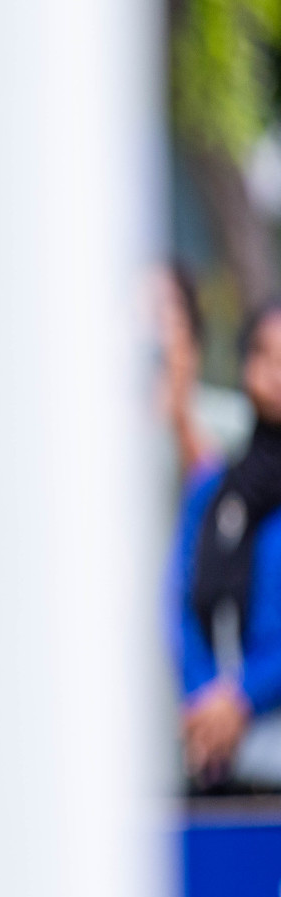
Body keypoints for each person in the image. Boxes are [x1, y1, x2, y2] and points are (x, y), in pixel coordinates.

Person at [175, 301, 281, 791]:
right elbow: (177, 603)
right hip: (216, 752)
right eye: (264, 353)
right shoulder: (215, 492)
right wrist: (207, 699)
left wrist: (244, 698)